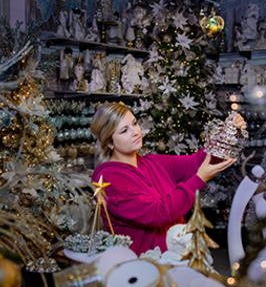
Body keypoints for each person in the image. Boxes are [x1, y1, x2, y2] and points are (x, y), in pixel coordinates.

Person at [90, 102, 246, 255]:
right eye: (124, 130)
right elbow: (156, 213)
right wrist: (199, 179)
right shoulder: (109, 177)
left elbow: (197, 162)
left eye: (135, 123)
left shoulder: (151, 162)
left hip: (176, 257)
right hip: (143, 266)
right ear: (109, 143)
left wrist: (229, 133)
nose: (135, 132)